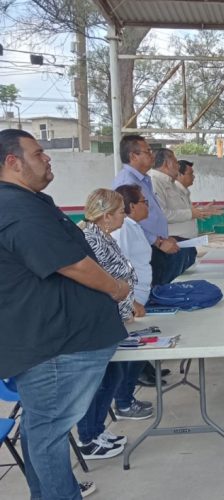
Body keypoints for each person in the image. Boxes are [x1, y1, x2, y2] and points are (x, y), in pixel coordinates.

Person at [0, 129, 129, 499]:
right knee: (46, 433)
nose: (48, 158)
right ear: (13, 162)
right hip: (53, 348)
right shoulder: (16, 209)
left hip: (54, 342)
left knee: (42, 431)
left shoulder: (27, 202)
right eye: (39, 153)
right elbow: (72, 264)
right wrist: (115, 288)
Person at [75, 188, 141, 459]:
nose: (125, 216)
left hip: (115, 315)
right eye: (122, 212)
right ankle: (87, 438)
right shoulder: (91, 239)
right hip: (101, 319)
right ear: (106, 216)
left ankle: (96, 429)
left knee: (112, 375)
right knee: (100, 379)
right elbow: (101, 280)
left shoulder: (102, 235)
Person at [112, 135, 194, 286]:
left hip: (155, 244)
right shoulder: (127, 182)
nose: (152, 155)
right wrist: (157, 241)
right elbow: (125, 221)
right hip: (146, 246)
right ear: (133, 156)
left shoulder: (143, 179)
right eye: (147, 151)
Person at [112, 184, 160, 417]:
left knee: (140, 354)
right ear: (131, 206)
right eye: (144, 201)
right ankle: (123, 401)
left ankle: (126, 397)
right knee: (131, 356)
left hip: (141, 295)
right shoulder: (122, 230)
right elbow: (116, 269)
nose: (147, 205)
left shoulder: (133, 227)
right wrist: (130, 301)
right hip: (131, 301)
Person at [163, 159, 224, 238]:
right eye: (190, 174)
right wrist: (197, 212)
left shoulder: (183, 191)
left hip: (186, 239)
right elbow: (170, 215)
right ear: (179, 174)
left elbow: (185, 211)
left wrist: (202, 210)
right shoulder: (172, 192)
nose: (194, 176)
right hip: (177, 239)